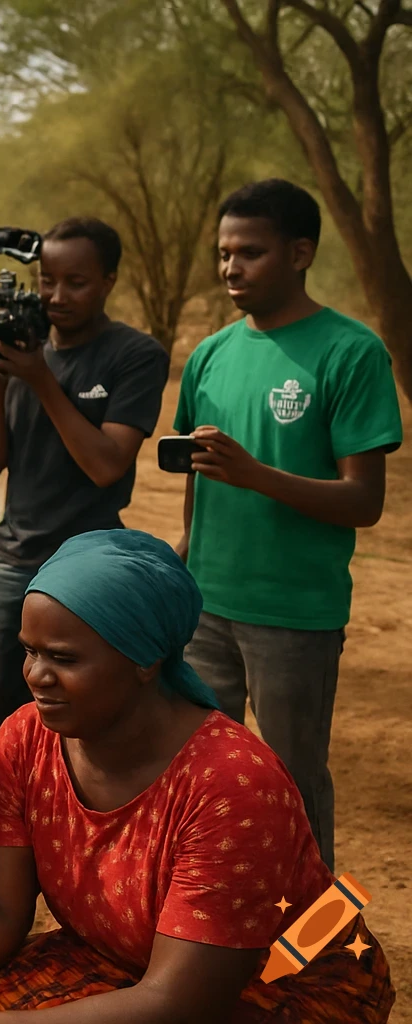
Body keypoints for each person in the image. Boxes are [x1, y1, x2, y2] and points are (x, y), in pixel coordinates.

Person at [0, 530, 395, 1024]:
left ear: (144, 660)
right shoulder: (26, 739)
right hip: (124, 962)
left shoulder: (233, 783)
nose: (37, 676)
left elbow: (178, 1004)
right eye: (30, 651)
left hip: (286, 982)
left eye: (64, 659)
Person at [175, 179, 402, 872]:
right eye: (223, 253)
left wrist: (258, 475)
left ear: (300, 253)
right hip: (206, 605)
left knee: (291, 784)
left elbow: (364, 501)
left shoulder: (350, 352)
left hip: (294, 615)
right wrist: (182, 559)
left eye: (251, 252)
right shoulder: (211, 353)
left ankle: (313, 954)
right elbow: (198, 471)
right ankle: (214, 928)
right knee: (201, 779)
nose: (230, 268)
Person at [0, 217, 168, 778]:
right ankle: (1, 847)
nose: (56, 296)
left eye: (75, 282)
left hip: (90, 568)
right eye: (47, 280)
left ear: (109, 280)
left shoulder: (133, 355)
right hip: (13, 561)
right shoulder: (26, 350)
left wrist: (39, 379)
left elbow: (106, 465)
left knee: (77, 720)